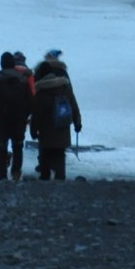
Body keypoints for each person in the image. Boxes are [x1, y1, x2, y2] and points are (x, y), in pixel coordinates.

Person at [31, 50, 83, 180]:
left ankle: (45, 177)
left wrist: (33, 130)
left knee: (45, 153)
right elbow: (73, 104)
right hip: (62, 125)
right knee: (60, 154)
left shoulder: (40, 92)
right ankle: (60, 179)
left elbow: (36, 113)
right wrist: (77, 122)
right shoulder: (64, 86)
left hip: (45, 128)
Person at [0, 51, 36, 181]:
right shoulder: (23, 80)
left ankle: (1, 176)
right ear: (13, 64)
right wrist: (25, 116)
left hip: (2, 119)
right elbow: (31, 102)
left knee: (1, 147)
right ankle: (16, 172)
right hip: (19, 119)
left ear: (2, 64)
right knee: (18, 146)